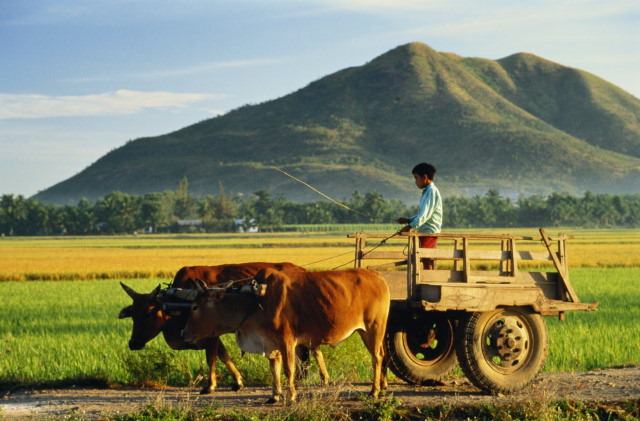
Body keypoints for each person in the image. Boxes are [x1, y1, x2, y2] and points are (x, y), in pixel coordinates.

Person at [397, 162, 442, 270]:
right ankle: (429, 279)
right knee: (426, 258)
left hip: (429, 231)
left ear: (425, 177)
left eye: (416, 178)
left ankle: (429, 280)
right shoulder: (427, 191)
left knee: (426, 258)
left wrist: (409, 226)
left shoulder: (431, 191)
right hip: (425, 231)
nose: (415, 181)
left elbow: (424, 216)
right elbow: (422, 215)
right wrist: (408, 220)